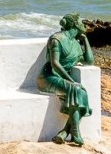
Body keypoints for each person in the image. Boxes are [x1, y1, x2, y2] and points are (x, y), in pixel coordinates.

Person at [40, 13, 94, 146]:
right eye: (81, 23)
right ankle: (75, 132)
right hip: (49, 77)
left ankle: (65, 131)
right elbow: (55, 64)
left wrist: (85, 39)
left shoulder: (75, 44)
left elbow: (89, 61)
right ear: (75, 24)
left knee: (82, 93)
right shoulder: (56, 39)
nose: (84, 25)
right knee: (77, 89)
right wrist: (71, 80)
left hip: (63, 79)